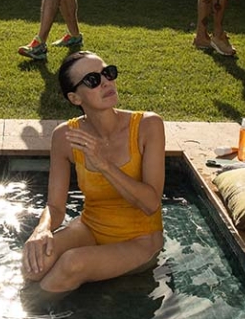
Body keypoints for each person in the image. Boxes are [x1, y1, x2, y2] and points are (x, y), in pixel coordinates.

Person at [21, 51, 165, 293]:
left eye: (107, 73)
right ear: (75, 98)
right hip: (90, 228)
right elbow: (55, 207)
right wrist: (42, 229)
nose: (106, 82)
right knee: (34, 263)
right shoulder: (64, 137)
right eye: (93, 80)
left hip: (140, 240)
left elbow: (151, 204)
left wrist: (105, 166)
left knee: (72, 263)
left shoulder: (148, 126)